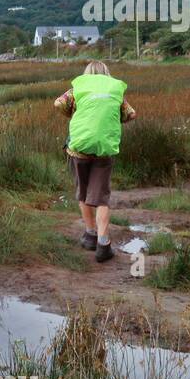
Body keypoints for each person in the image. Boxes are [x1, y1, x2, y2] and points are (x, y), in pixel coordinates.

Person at [53, 61, 136, 262]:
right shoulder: (115, 90)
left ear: (87, 73)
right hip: (104, 151)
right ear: (106, 73)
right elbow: (131, 113)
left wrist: (73, 114)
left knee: (83, 193)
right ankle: (103, 243)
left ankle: (90, 234)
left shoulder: (78, 88)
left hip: (78, 148)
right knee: (101, 199)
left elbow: (58, 103)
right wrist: (114, 119)